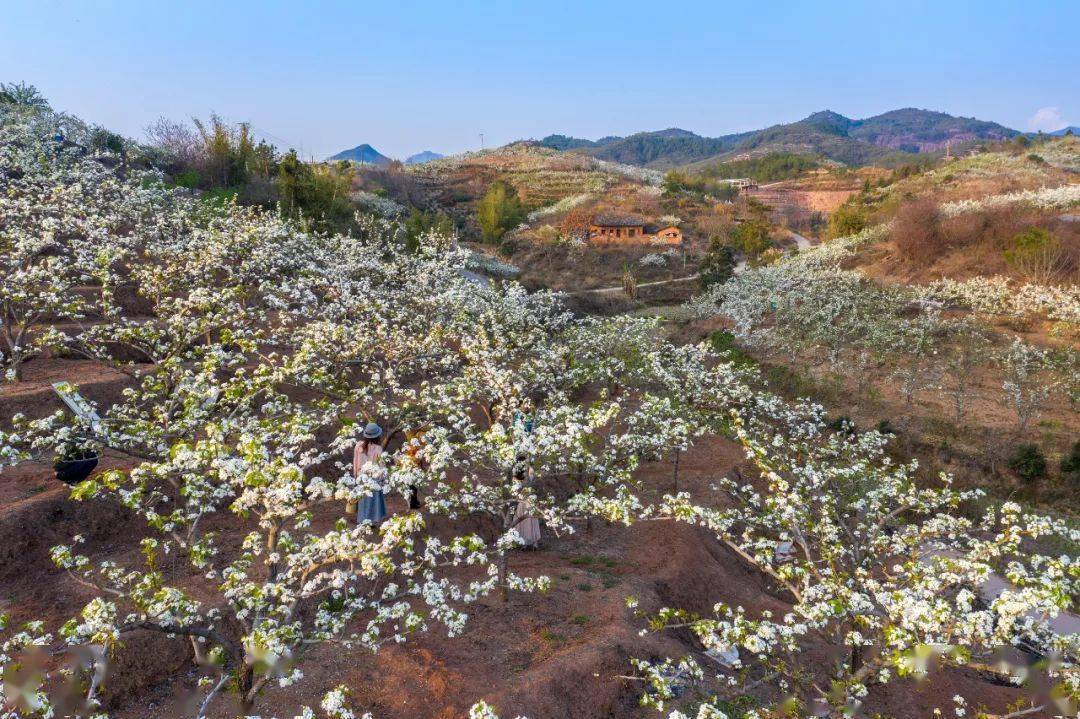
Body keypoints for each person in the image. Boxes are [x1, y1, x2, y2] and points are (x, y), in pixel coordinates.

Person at [353, 422, 388, 526]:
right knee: (374, 501)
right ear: (377, 435)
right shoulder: (378, 449)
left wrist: (355, 476)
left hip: (361, 479)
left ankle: (362, 521)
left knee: (363, 501)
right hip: (374, 479)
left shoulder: (358, 446)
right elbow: (381, 467)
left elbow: (355, 462)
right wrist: (383, 480)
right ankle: (372, 522)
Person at [510, 458, 541, 549]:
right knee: (523, 517)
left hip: (528, 497)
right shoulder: (518, 471)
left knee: (529, 517)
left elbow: (530, 483)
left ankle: (532, 542)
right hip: (523, 498)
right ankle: (526, 542)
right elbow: (515, 485)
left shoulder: (529, 470)